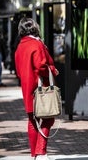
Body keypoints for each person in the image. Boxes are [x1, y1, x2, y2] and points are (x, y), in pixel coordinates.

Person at [14, 17, 59, 160]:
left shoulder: (20, 46)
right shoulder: (37, 44)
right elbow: (41, 66)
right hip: (41, 89)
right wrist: (52, 69)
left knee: (32, 121)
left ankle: (34, 154)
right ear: (35, 28)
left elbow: (19, 71)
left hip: (27, 89)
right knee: (48, 119)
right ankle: (41, 152)